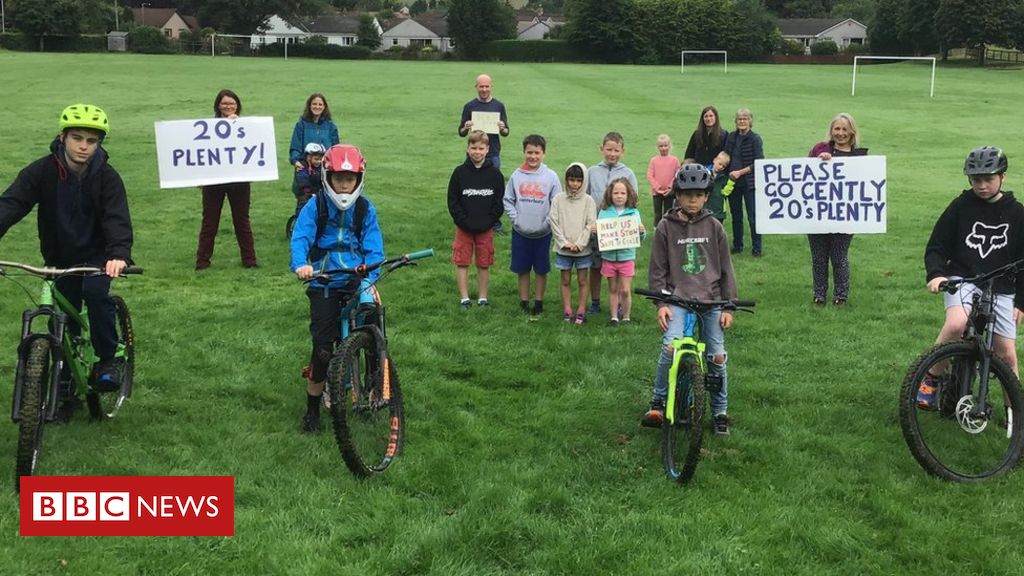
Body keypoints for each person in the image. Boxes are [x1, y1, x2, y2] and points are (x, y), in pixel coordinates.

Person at [0, 104, 133, 416]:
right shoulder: (40, 172)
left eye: (92, 140)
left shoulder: (107, 178)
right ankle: (64, 388)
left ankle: (108, 359)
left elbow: (117, 219)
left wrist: (118, 255)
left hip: (98, 256)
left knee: (97, 295)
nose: (83, 146)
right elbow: (10, 205)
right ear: (62, 137)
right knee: (62, 317)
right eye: (77, 138)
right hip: (59, 255)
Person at [918, 146, 1024, 409]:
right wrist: (936, 274)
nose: (982, 185)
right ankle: (931, 377)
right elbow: (937, 246)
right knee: (956, 324)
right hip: (963, 278)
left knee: (1007, 355)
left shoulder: (1018, 214)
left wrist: (1021, 301)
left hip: (1001, 285)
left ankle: (1016, 413)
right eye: (976, 180)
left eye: (989, 179)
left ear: (1003, 177)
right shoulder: (960, 206)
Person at [290, 144, 384, 434]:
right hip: (324, 279)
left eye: (350, 179)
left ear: (359, 178)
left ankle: (374, 382)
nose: (344, 185)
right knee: (321, 350)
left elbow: (374, 246)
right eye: (339, 179)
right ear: (327, 177)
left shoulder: (365, 208)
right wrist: (301, 265)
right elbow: (301, 237)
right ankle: (312, 411)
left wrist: (371, 272)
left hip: (356, 276)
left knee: (373, 325)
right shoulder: (315, 206)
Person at [642, 164, 739, 436]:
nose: (692, 200)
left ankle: (720, 410)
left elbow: (726, 270)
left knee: (717, 356)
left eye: (698, 194)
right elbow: (658, 269)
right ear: (677, 196)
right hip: (677, 299)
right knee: (670, 348)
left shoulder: (715, 227)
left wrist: (728, 305)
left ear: (707, 196)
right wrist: (661, 304)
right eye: (687, 195)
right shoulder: (665, 227)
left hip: (711, 301)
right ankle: (658, 402)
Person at [807, 113, 868, 305]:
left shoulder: (859, 156)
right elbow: (804, 178)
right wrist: (819, 161)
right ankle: (819, 295)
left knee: (839, 258)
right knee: (819, 258)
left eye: (844, 129)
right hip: (818, 215)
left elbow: (863, 188)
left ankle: (840, 296)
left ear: (851, 131)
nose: (840, 133)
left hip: (845, 217)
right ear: (831, 131)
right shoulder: (820, 149)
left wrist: (856, 219)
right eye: (837, 129)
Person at [196, 89, 258, 269]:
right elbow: (202, 153)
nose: (228, 106)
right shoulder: (207, 128)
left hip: (239, 181)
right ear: (218, 106)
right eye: (225, 103)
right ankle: (202, 261)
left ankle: (250, 260)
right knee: (210, 221)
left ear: (237, 105)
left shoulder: (246, 126)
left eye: (232, 103)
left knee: (242, 220)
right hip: (214, 181)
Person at [504, 134, 561, 318]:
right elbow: (508, 200)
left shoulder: (551, 176)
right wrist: (516, 219)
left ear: (544, 153)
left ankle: (538, 302)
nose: (533, 156)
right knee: (522, 268)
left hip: (543, 233)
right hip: (521, 231)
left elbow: (557, 203)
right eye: (529, 152)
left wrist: (547, 223)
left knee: (541, 269)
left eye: (537, 153)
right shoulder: (517, 175)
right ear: (524, 152)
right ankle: (524, 300)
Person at [447, 130, 505, 310]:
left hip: (485, 228)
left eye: (481, 148)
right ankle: (464, 298)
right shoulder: (459, 173)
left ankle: (482, 298)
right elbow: (453, 200)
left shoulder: (495, 174)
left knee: (484, 263)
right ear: (467, 149)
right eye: (473, 148)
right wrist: (462, 220)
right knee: (462, 262)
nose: (477, 152)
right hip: (463, 227)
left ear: (488, 149)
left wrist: (489, 221)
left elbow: (498, 202)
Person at [587, 132, 639, 315]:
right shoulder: (592, 171)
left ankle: (617, 303)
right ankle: (595, 301)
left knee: (617, 269)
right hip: (598, 229)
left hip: (620, 234)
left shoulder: (628, 173)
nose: (612, 154)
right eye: (609, 149)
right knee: (595, 266)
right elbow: (585, 198)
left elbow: (633, 200)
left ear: (622, 151)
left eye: (616, 150)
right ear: (602, 149)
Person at [458, 74, 510, 233]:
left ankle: (494, 222)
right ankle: (469, 216)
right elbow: (460, 132)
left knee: (494, 188)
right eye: (481, 86)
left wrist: (502, 128)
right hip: (473, 154)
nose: (484, 89)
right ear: (476, 87)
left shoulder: (499, 106)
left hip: (492, 153)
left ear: (491, 86)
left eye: (487, 86)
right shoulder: (469, 106)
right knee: (471, 187)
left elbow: (506, 132)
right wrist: (466, 127)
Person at [550, 162, 596, 324]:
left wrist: (580, 244)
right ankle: (567, 309)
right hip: (564, 250)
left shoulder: (589, 201)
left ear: (583, 182)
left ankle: (582, 309)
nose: (574, 184)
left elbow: (591, 224)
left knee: (583, 280)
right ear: (566, 180)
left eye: (578, 180)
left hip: (582, 250)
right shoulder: (558, 199)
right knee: (565, 280)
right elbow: (554, 222)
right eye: (571, 180)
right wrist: (564, 243)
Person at [597, 178, 645, 326]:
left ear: (628, 195)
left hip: (626, 257)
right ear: (610, 194)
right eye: (615, 192)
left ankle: (626, 316)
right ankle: (613, 317)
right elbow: (601, 235)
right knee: (613, 289)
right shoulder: (604, 213)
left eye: (622, 193)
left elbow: (639, 237)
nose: (619, 196)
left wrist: (641, 232)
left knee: (625, 290)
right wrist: (595, 231)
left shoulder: (633, 213)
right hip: (609, 257)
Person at [723, 108, 765, 257]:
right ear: (735, 121)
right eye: (739, 119)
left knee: (753, 216)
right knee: (736, 215)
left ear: (750, 121)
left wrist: (740, 172)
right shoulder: (731, 137)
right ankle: (738, 245)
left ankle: (757, 248)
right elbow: (726, 155)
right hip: (733, 182)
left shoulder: (755, 139)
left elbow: (759, 163)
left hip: (749, 182)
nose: (742, 121)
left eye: (745, 119)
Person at [289, 93, 340, 172]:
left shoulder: (331, 126)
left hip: (325, 167)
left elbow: (335, 148)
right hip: (305, 167)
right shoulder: (301, 124)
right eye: (314, 104)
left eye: (320, 104)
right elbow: (295, 146)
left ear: (324, 107)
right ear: (309, 106)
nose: (317, 107)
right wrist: (295, 161)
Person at [646, 134, 681, 228]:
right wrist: (657, 188)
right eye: (661, 146)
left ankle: (667, 228)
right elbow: (650, 175)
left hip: (669, 192)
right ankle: (656, 230)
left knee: (668, 212)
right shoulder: (654, 160)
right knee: (657, 213)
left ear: (669, 146)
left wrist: (670, 187)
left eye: (665, 145)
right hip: (656, 193)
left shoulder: (674, 160)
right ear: (657, 147)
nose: (663, 148)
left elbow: (677, 175)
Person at [292, 142, 326, 220]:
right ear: (308, 157)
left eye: (321, 159)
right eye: (316, 159)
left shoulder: (320, 167)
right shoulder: (302, 167)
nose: (319, 161)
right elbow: (302, 180)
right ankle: (298, 223)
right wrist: (308, 191)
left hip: (317, 191)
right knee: (303, 207)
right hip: (304, 193)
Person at [708, 151, 732, 224]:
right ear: (714, 160)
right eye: (720, 164)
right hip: (706, 208)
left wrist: (731, 182)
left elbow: (726, 192)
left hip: (719, 210)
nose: (721, 167)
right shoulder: (705, 173)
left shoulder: (724, 177)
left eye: (724, 166)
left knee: (717, 231)